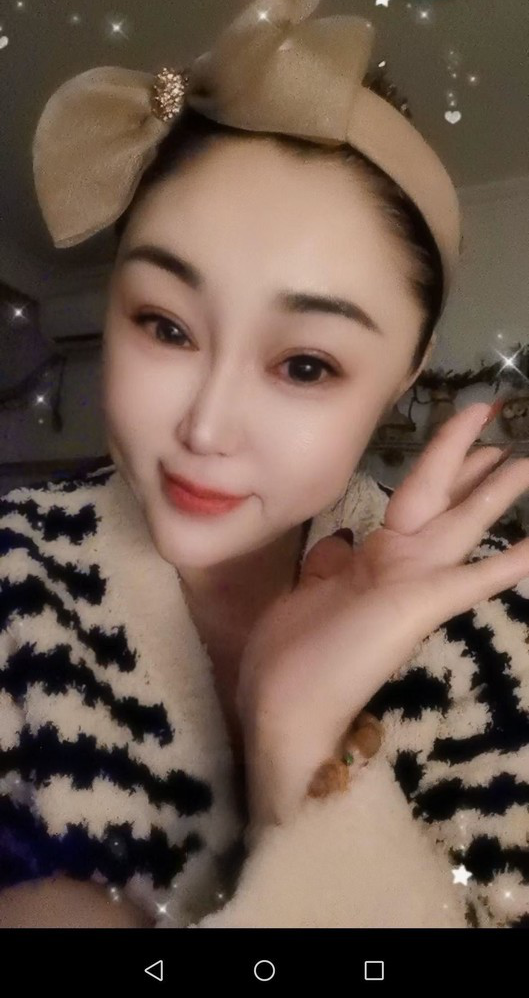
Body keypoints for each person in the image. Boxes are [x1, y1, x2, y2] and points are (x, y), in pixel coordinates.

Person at [1, 0, 528, 929]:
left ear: (404, 374)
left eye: (305, 365)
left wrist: (299, 749)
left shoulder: (496, 632)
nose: (206, 428)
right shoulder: (14, 572)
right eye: (165, 326)